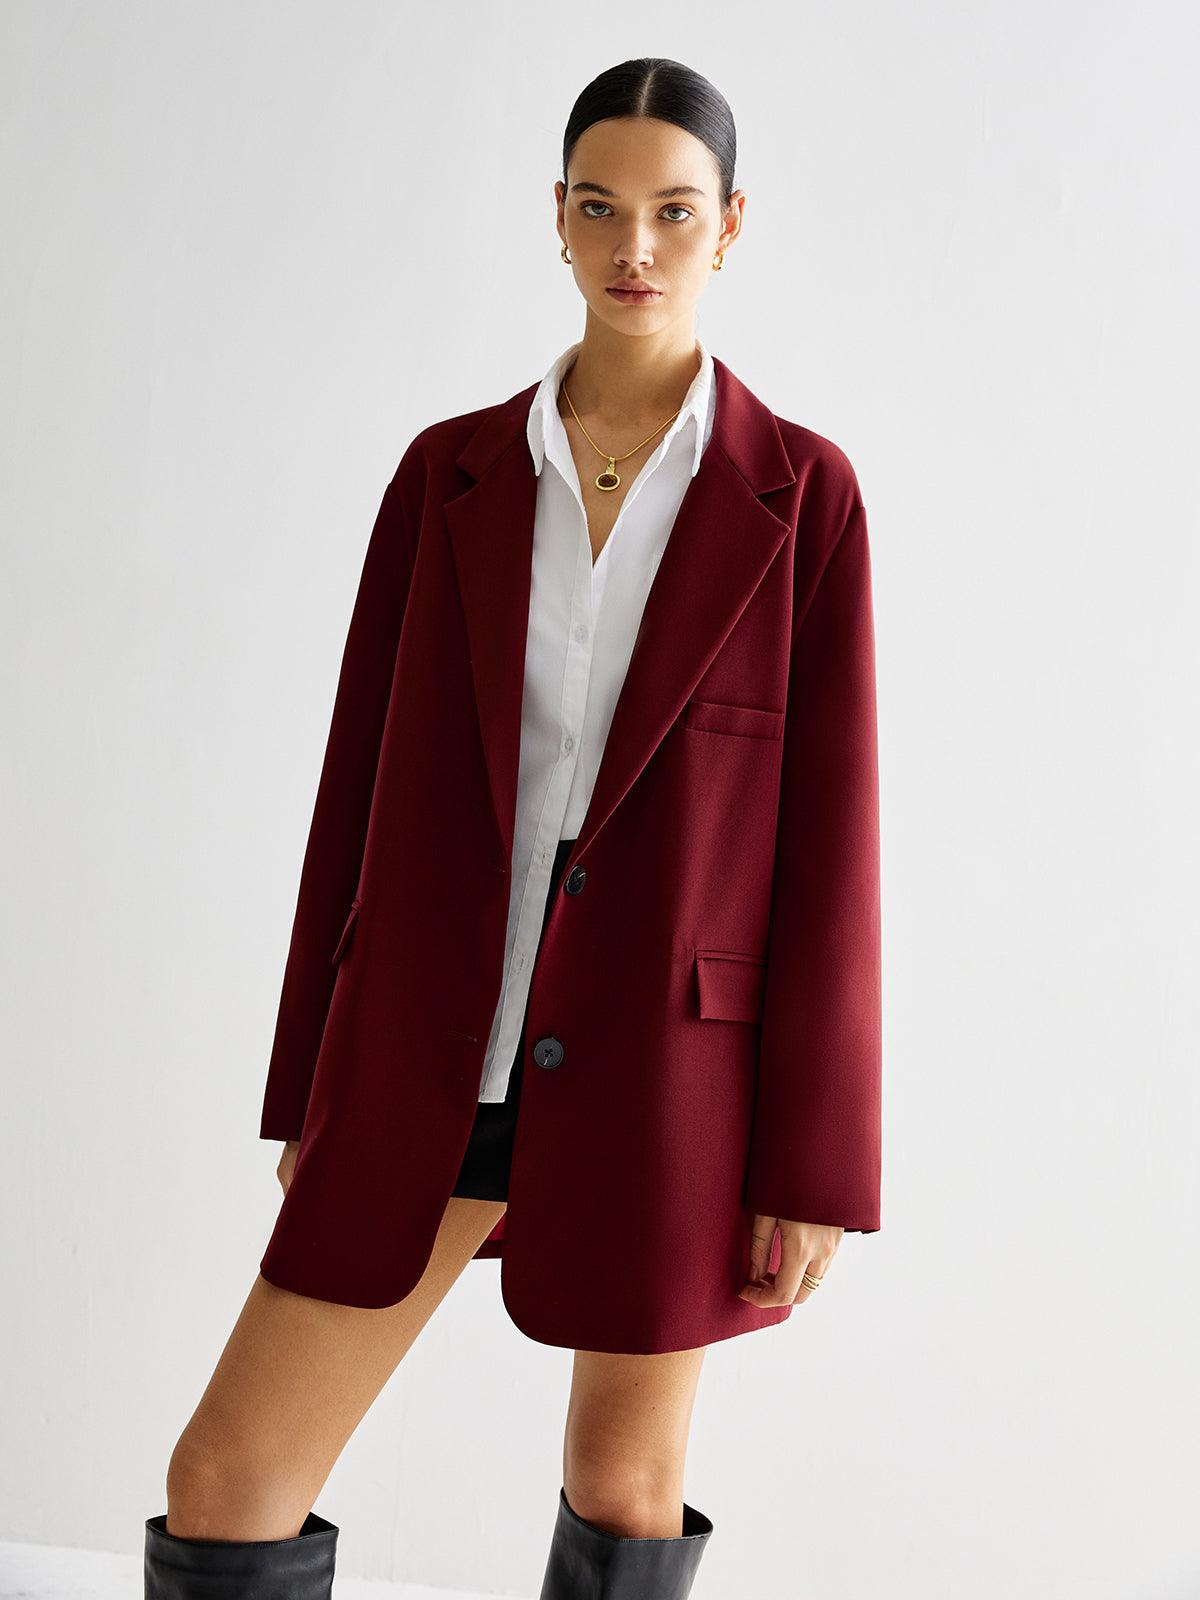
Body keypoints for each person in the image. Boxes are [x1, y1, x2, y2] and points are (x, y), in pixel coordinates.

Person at [143, 55, 882, 1600]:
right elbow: (353, 800)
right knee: (227, 1478)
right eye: (601, 208)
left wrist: (817, 1159)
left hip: (670, 1070)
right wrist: (310, 1084)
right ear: (556, 217)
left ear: (731, 225)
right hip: (436, 1042)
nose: (636, 247)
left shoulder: (802, 498)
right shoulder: (451, 477)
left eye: (674, 212)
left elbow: (831, 850)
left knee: (625, 1485)